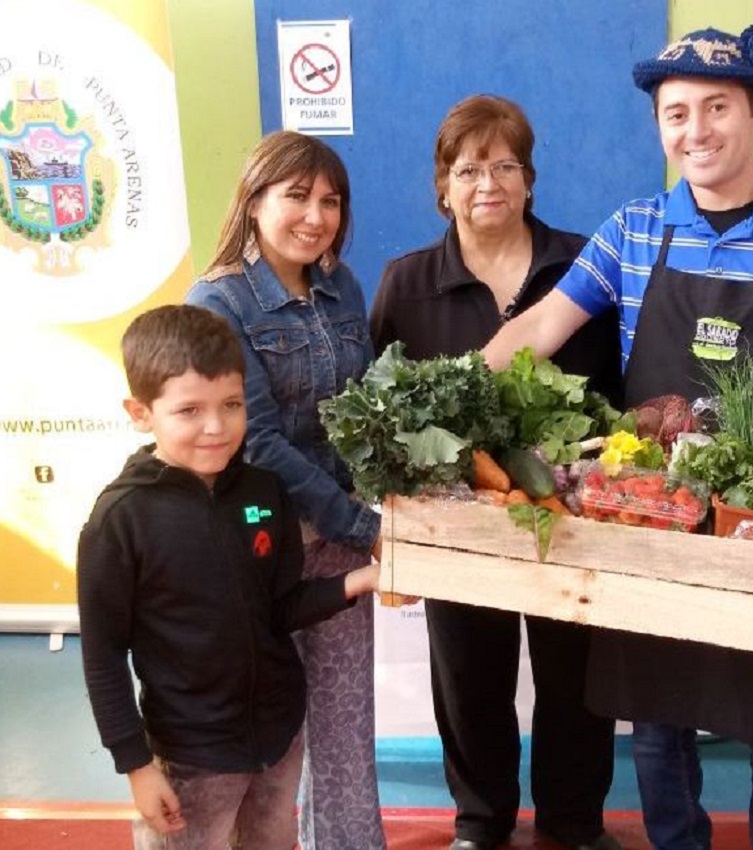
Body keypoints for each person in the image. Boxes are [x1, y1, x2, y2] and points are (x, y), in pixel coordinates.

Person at [482, 25, 753, 850]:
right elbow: (543, 326)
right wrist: (451, 390)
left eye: (716, 108)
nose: (695, 131)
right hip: (650, 513)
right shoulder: (634, 230)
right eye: (675, 114)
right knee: (658, 723)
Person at [370, 94, 623, 850]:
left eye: (506, 165)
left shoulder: (584, 267)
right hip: (458, 521)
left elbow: (618, 387)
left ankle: (574, 822)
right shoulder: (407, 283)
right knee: (469, 679)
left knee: (577, 680)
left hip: (569, 516)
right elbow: (385, 409)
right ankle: (480, 822)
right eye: (469, 167)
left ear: (530, 178)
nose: (489, 182)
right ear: (442, 184)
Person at [77, 304, 380, 850]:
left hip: (279, 738)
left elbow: (281, 607)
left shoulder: (265, 491)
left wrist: (358, 582)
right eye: (189, 410)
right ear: (141, 412)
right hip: (192, 756)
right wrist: (137, 766)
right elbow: (102, 658)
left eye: (232, 405)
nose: (216, 427)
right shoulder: (119, 520)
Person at [186, 131, 387, 849]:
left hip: (340, 539)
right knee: (268, 731)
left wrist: (381, 510)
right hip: (258, 543)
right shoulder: (218, 303)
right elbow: (257, 440)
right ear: (254, 200)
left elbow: (362, 418)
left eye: (330, 201)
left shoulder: (343, 288)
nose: (316, 215)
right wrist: (364, 527)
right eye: (297, 196)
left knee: (346, 719)